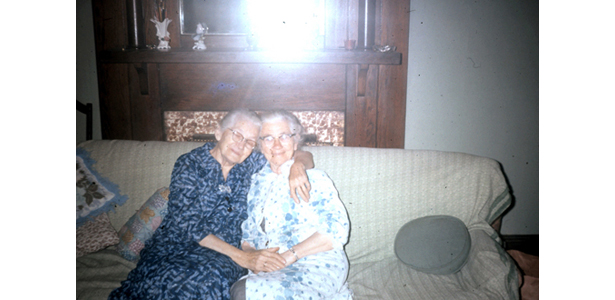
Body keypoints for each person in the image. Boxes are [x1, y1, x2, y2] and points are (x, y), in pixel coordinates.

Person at [109, 109, 315, 300]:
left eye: (250, 141)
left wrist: (298, 166)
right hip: (177, 248)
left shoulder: (250, 164)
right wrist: (243, 258)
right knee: (172, 280)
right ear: (218, 132)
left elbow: (302, 154)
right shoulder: (190, 164)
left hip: (223, 256)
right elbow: (188, 225)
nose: (241, 144)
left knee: (209, 279)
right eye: (236, 134)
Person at [231, 110, 352, 300]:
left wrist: (288, 257)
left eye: (284, 136)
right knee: (239, 289)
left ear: (295, 141)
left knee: (243, 292)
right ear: (260, 145)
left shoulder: (312, 177)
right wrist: (254, 257)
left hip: (315, 262)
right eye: (268, 138)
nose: (277, 145)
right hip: (272, 269)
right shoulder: (257, 183)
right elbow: (248, 234)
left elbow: (336, 230)